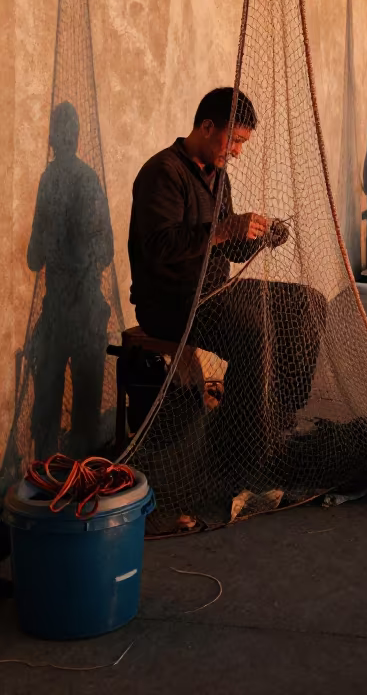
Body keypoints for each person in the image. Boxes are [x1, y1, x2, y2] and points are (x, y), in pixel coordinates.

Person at [128, 87, 327, 497]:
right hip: (171, 301)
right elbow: (157, 248)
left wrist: (260, 236)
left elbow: (228, 248)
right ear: (206, 126)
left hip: (215, 290)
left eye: (241, 143)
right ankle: (240, 453)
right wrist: (223, 229)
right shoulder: (163, 172)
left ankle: (275, 421)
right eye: (233, 140)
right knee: (254, 330)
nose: (236, 151)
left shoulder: (218, 176)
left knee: (307, 303)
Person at [27, 101, 114, 458]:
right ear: (76, 138)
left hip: (61, 313)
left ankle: (48, 480)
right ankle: (75, 484)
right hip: (84, 314)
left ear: (52, 138)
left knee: (49, 400)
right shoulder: (86, 178)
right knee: (84, 409)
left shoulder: (49, 181)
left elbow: (34, 258)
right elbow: (105, 252)